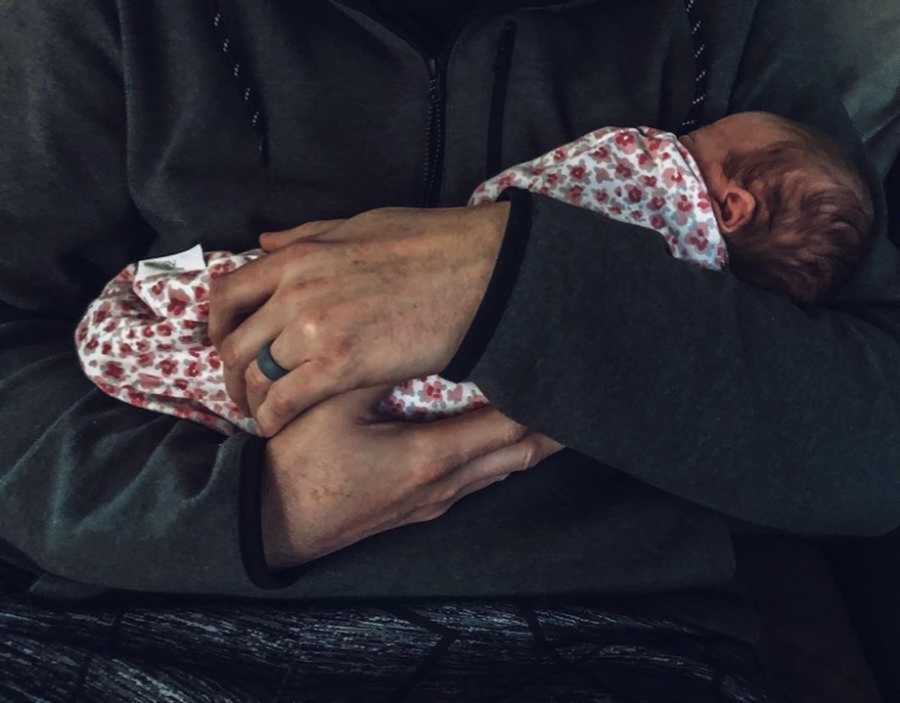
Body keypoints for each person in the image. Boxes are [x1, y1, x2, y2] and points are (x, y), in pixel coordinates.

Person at [1, 0, 897, 699]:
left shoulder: (737, 29)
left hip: (603, 627)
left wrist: (506, 284)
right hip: (152, 605)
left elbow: (874, 431)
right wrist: (258, 510)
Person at [72, 112, 873, 437]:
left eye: (699, 135)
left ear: (729, 206)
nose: (676, 137)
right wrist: (259, 519)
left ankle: (151, 317)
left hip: (610, 598)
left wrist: (504, 267)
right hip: (204, 519)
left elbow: (871, 410)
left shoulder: (657, 164)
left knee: (230, 325)